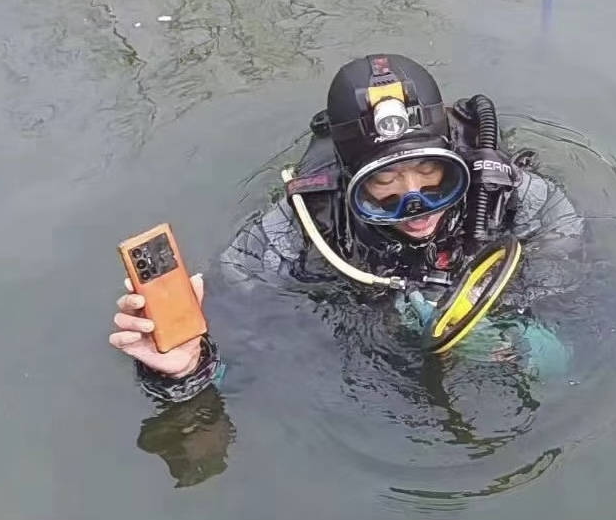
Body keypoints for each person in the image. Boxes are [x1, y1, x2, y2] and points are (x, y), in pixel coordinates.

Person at [109, 52, 584, 404]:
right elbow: (251, 368)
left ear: (452, 159)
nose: (414, 201)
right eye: (385, 179)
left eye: (429, 171)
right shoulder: (292, 232)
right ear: (349, 177)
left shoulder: (516, 196)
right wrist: (186, 369)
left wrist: (524, 335)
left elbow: (576, 288)